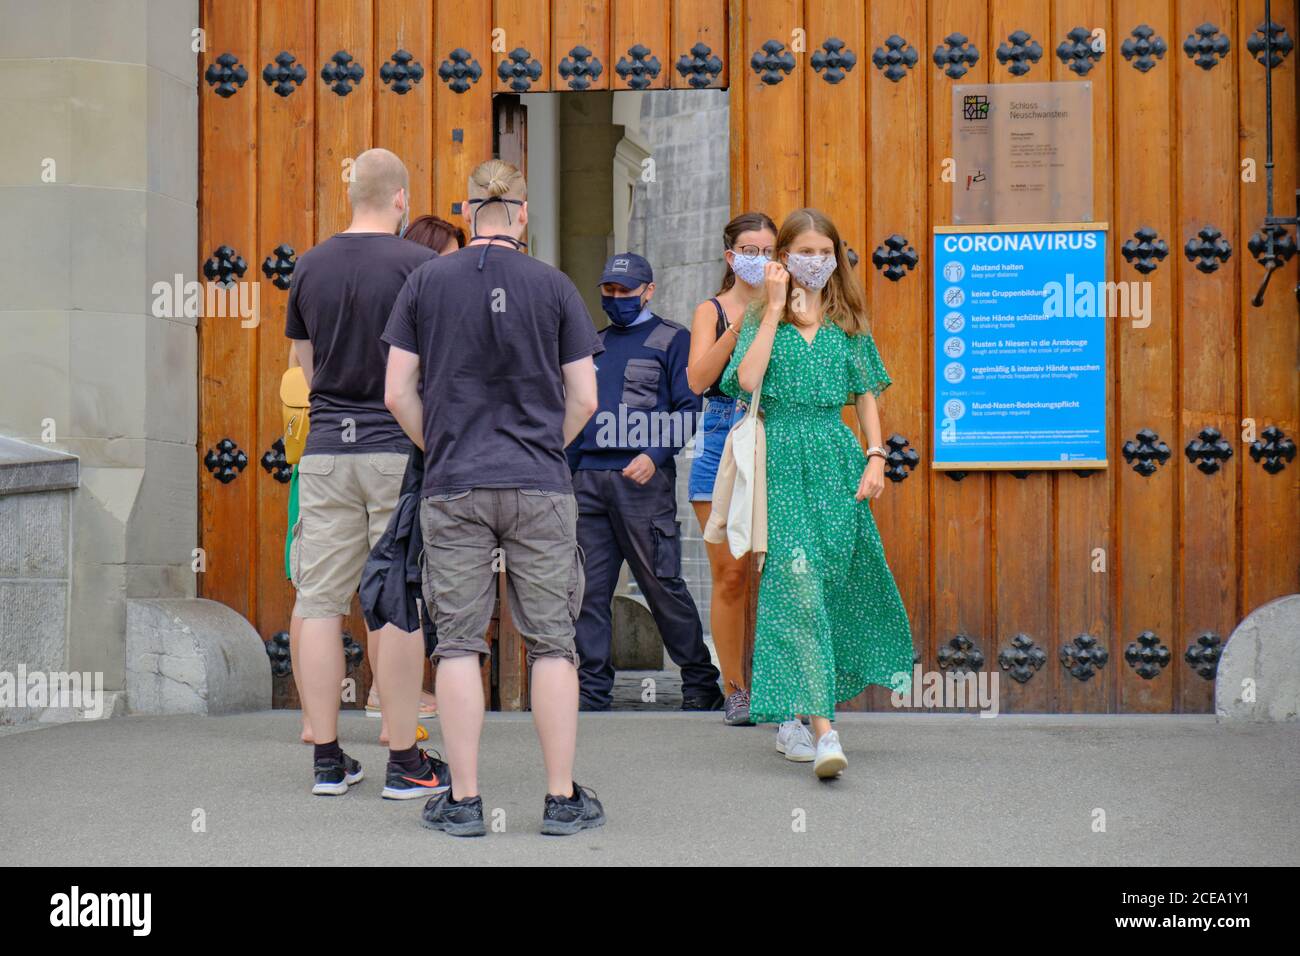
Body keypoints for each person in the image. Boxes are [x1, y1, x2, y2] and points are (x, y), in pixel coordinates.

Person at [383, 159, 606, 837]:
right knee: (552, 646)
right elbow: (587, 398)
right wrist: (546, 449)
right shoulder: (555, 285)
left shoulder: (425, 281)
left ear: (467, 208)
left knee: (456, 644)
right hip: (539, 484)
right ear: (523, 215)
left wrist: (441, 445)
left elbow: (396, 391)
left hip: (455, 484)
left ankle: (466, 800)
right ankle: (561, 800)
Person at [720, 207, 915, 779]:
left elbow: (866, 396)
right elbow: (747, 382)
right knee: (796, 583)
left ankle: (792, 717)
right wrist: (776, 307)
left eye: (824, 252)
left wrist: (876, 456)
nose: (816, 262)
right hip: (780, 458)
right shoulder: (762, 318)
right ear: (783, 258)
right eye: (803, 252)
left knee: (830, 584)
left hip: (836, 458)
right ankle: (825, 730)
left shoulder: (848, 320)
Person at [285, 147, 449, 799]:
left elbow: (304, 365)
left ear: (352, 195)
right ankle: (405, 760)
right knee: (397, 602)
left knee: (319, 601)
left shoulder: (310, 265)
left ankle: (327, 758)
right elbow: (435, 365)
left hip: (326, 449)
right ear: (402, 198)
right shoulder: (422, 265)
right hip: (394, 449)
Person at [566, 252, 721, 712]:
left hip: (643, 483)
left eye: (626, 291)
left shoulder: (674, 340)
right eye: (609, 291)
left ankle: (700, 683)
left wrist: (654, 456)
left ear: (648, 290)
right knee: (588, 589)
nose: (616, 299)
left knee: (661, 583)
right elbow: (577, 412)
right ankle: (591, 691)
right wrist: (567, 472)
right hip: (588, 478)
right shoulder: (593, 344)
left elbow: (689, 409)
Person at [686, 211, 777, 726]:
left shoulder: (788, 307)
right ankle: (735, 686)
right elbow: (697, 379)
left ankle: (779, 682)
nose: (758, 259)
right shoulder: (712, 310)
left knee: (781, 570)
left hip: (775, 432)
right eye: (749, 249)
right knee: (731, 574)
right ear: (731, 256)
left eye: (768, 250)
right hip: (722, 434)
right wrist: (744, 320)